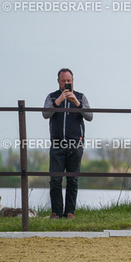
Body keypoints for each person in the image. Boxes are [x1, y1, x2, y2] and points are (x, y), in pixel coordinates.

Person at [43, 68, 92, 219]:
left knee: (72, 179)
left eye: (69, 81)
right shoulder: (52, 97)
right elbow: (45, 114)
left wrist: (76, 103)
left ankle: (70, 212)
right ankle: (56, 213)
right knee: (55, 179)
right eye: (63, 81)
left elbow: (89, 116)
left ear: (73, 81)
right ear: (58, 81)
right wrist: (58, 101)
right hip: (57, 144)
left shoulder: (80, 97)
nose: (66, 83)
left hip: (75, 144)